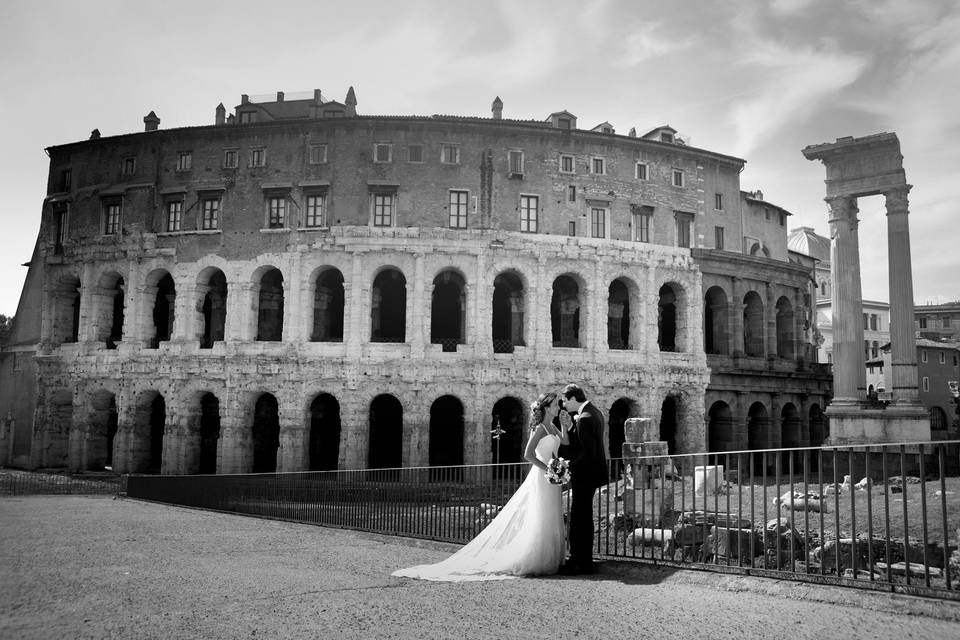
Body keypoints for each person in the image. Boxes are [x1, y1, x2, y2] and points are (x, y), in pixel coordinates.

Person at [392, 391, 569, 581]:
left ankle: (550, 558)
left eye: (558, 404)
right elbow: (528, 454)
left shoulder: (553, 426)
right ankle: (536, 558)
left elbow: (565, 442)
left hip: (552, 477)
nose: (558, 407)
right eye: (554, 405)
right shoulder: (541, 428)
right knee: (539, 514)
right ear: (546, 407)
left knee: (551, 514)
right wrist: (548, 468)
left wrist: (566, 426)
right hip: (543, 476)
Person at [557, 383, 607, 575]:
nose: (563, 404)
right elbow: (584, 443)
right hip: (592, 474)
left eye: (564, 400)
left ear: (571, 398)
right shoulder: (594, 412)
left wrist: (568, 466)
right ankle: (582, 558)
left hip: (585, 474)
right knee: (583, 516)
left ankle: (580, 560)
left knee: (579, 518)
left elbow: (586, 452)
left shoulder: (585, 418)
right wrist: (570, 426)